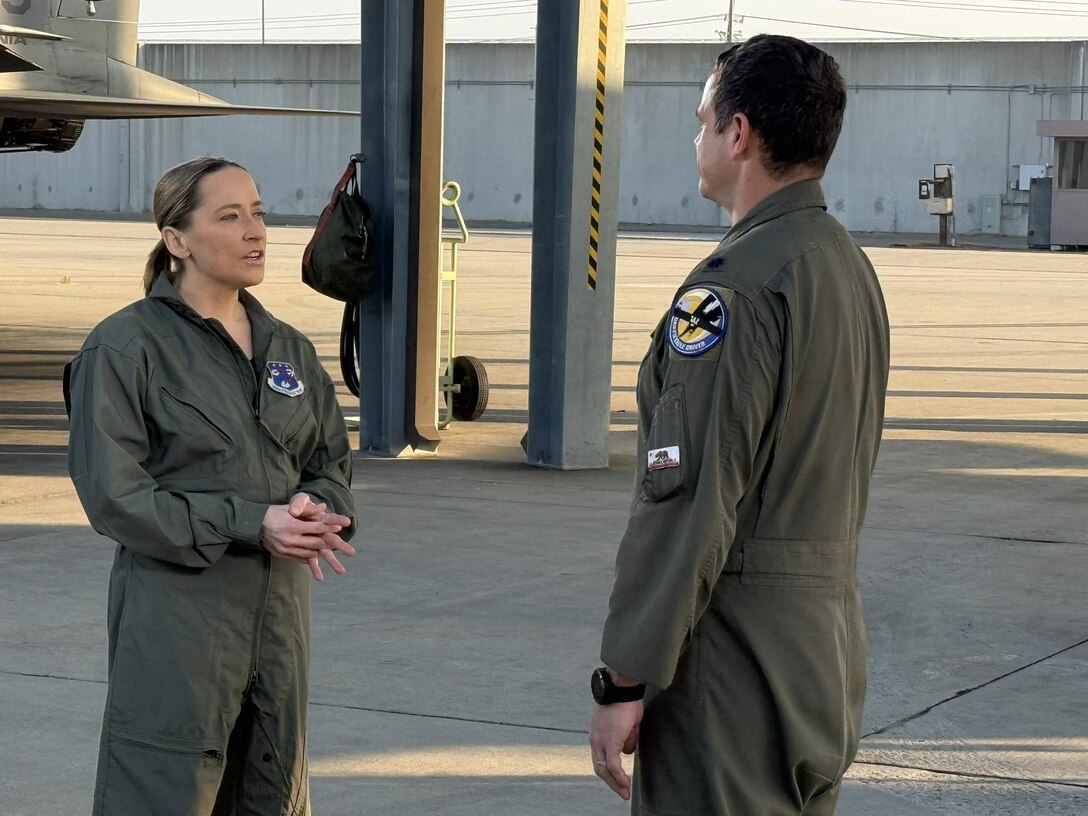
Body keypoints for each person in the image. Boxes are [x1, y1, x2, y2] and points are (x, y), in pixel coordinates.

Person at [588, 35, 890, 815]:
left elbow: (690, 502)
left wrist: (626, 675)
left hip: (734, 667)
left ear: (740, 134)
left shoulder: (733, 291)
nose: (696, 141)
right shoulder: (844, 266)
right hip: (822, 654)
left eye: (701, 121)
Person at [64, 156, 358, 815]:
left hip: (279, 624)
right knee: (164, 793)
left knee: (273, 794)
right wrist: (253, 521)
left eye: (258, 211)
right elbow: (116, 498)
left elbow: (330, 462)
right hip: (178, 624)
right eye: (229, 216)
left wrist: (320, 507)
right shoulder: (124, 349)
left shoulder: (289, 349)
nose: (256, 230)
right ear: (177, 240)